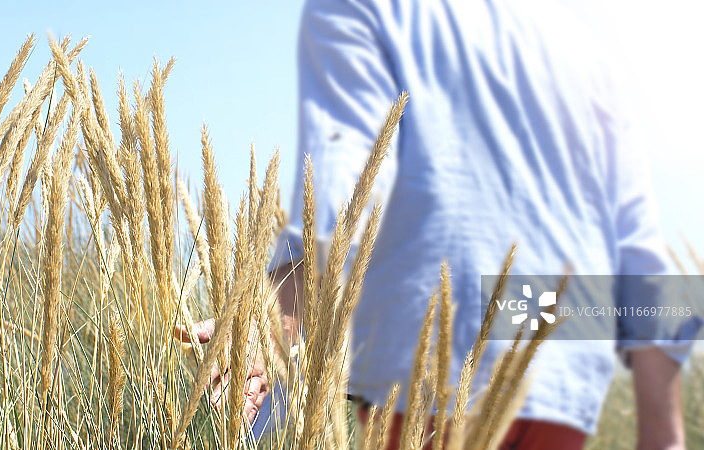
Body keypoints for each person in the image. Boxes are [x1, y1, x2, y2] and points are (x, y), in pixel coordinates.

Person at [187, 0, 700, 448]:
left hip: (437, 359)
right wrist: (663, 429)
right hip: (561, 367)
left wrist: (266, 319)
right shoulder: (585, 51)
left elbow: (350, 187)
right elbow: (638, 248)